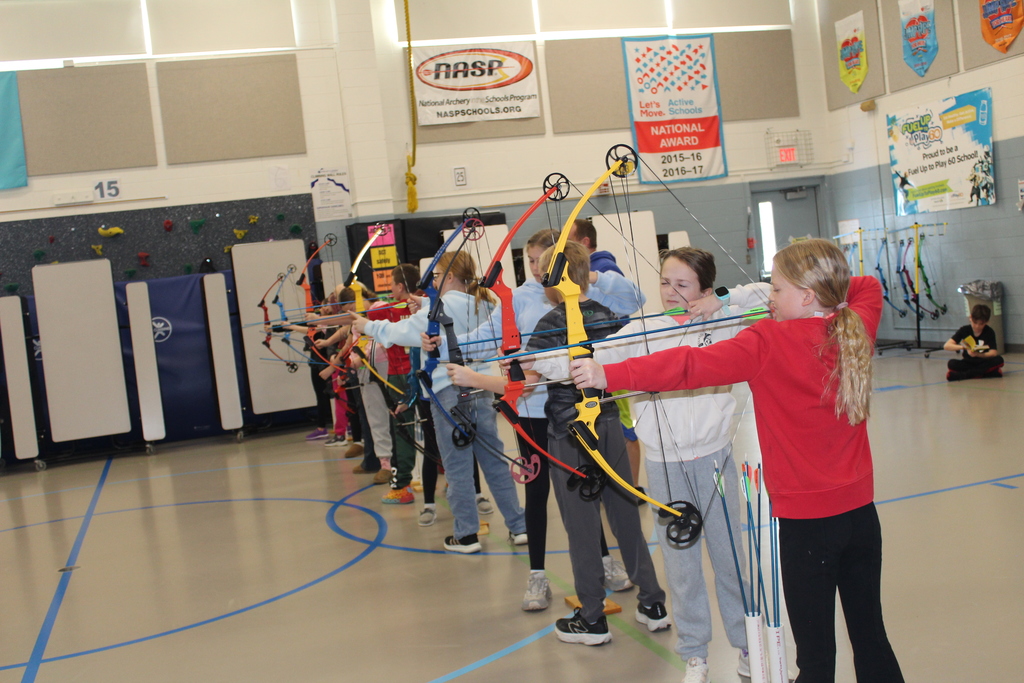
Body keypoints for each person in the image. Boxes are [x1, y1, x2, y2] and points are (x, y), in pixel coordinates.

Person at [570, 239, 904, 683]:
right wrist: (730, 299)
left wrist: (606, 374)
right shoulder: (854, 325)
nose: (769, 296)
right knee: (870, 636)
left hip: (808, 527)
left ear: (807, 296)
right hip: (861, 517)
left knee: (818, 655)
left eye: (778, 289)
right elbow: (862, 284)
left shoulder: (766, 341)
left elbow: (688, 366)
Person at [445, 227, 642, 610]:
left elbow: (635, 300)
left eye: (543, 261)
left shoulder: (581, 292)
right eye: (531, 261)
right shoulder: (519, 297)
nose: (536, 268)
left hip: (574, 407)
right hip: (531, 412)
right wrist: (450, 342)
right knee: (538, 493)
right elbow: (490, 335)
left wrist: (592, 276)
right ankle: (537, 576)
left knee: (588, 486)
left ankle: (603, 560)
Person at [518, 240, 669, 646]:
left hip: (569, 432)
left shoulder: (551, 322)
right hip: (608, 426)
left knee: (582, 525)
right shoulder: (607, 314)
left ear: (553, 282)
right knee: (624, 513)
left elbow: (530, 379)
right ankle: (653, 603)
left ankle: (591, 617)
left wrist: (514, 369)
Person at [351, 251, 527, 554]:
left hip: (448, 391)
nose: (432, 281)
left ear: (448, 276)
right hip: (481, 387)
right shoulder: (484, 303)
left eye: (435, 276)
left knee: (457, 464)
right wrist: (426, 305)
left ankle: (466, 535)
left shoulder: (438, 308)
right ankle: (520, 527)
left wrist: (365, 325)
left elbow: (401, 332)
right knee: (493, 459)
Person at [943, 304, 1004, 381]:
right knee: (951, 363)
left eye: (981, 324)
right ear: (970, 318)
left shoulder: (989, 332)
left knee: (999, 360)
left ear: (987, 322)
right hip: (968, 362)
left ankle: (963, 375)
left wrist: (978, 354)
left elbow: (993, 352)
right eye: (975, 323)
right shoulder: (964, 330)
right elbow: (947, 346)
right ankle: (985, 374)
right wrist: (964, 347)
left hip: (983, 362)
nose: (977, 326)